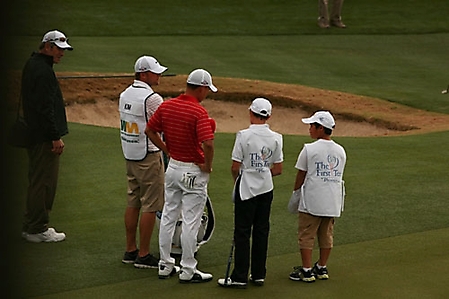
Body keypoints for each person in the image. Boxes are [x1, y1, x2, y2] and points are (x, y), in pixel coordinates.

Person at [145, 69, 217, 283]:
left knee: (168, 216)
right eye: (207, 90)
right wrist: (207, 165)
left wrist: (167, 150)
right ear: (201, 87)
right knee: (190, 221)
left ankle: (165, 264)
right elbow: (209, 143)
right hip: (193, 170)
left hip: (173, 168)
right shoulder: (198, 112)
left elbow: (150, 131)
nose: (207, 94)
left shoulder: (167, 105)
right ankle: (188, 269)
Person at [218, 98, 283, 289]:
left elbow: (234, 166)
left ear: (250, 112)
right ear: (268, 116)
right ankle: (258, 274)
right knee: (262, 231)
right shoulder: (277, 137)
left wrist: (240, 180)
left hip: (245, 188)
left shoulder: (243, 135)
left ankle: (239, 276)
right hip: (266, 188)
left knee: (242, 232)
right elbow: (278, 169)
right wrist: (262, 172)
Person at [21, 30, 73, 243]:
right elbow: (45, 109)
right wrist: (55, 137)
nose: (62, 54)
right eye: (59, 49)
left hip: (34, 134)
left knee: (37, 181)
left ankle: (32, 224)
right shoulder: (43, 71)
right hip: (43, 137)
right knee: (44, 183)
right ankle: (37, 228)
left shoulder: (34, 64)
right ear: (48, 47)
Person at [119, 55, 168, 268]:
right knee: (150, 204)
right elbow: (163, 126)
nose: (159, 75)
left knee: (133, 201)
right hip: (148, 156)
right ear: (144, 74)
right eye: (155, 72)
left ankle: (131, 250)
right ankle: (144, 255)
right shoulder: (152, 98)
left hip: (130, 154)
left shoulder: (124, 94)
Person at [288, 111, 347, 282]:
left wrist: (295, 194)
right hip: (333, 200)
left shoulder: (309, 149)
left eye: (312, 126)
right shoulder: (341, 150)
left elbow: (301, 175)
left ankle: (307, 271)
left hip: (312, 199)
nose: (309, 129)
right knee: (326, 234)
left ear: (321, 128)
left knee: (306, 234)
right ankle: (321, 267)